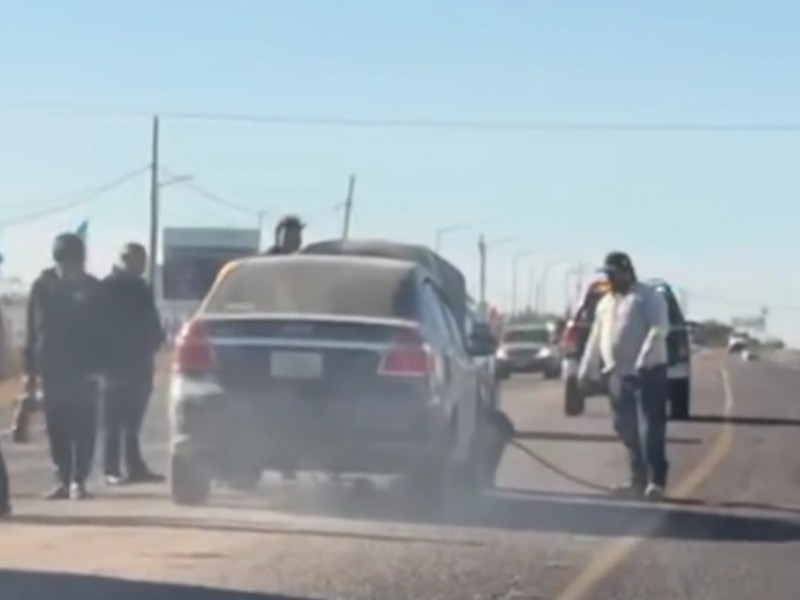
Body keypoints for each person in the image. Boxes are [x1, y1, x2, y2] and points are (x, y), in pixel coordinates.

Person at [577, 251, 670, 501]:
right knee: (625, 427)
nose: (610, 279)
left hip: (648, 373)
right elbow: (596, 338)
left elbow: (659, 328)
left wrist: (644, 358)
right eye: (607, 275)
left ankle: (656, 481)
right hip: (618, 375)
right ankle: (637, 480)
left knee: (650, 428)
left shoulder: (647, 298)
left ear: (627, 272)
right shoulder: (606, 303)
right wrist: (587, 369)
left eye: (613, 274)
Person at [24, 233, 106, 500]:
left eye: (77, 263)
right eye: (68, 264)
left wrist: (101, 367)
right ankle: (62, 476)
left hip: (85, 369)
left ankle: (79, 480)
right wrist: (30, 374)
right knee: (56, 426)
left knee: (83, 426)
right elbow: (32, 331)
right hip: (51, 368)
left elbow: (105, 332)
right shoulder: (42, 287)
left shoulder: (94, 288)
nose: (73, 270)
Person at [102, 243, 165, 485]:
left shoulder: (141, 288)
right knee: (113, 420)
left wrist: (156, 338)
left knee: (133, 421)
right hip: (115, 364)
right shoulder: (107, 288)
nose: (141, 266)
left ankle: (135, 466)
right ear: (125, 260)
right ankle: (111, 468)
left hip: (139, 362)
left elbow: (151, 319)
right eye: (137, 260)